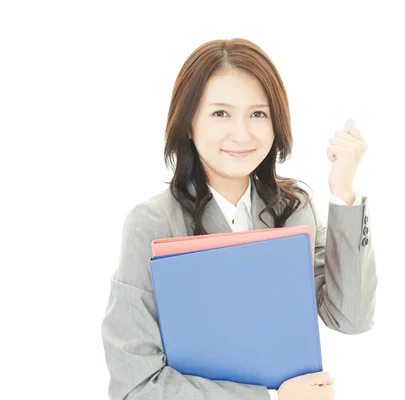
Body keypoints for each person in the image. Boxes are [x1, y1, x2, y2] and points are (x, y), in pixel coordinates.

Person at [101, 37, 378, 400]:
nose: (242, 133)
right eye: (220, 113)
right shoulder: (152, 222)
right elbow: (134, 386)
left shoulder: (294, 209)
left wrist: (343, 193)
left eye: (258, 114)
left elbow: (351, 317)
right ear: (188, 124)